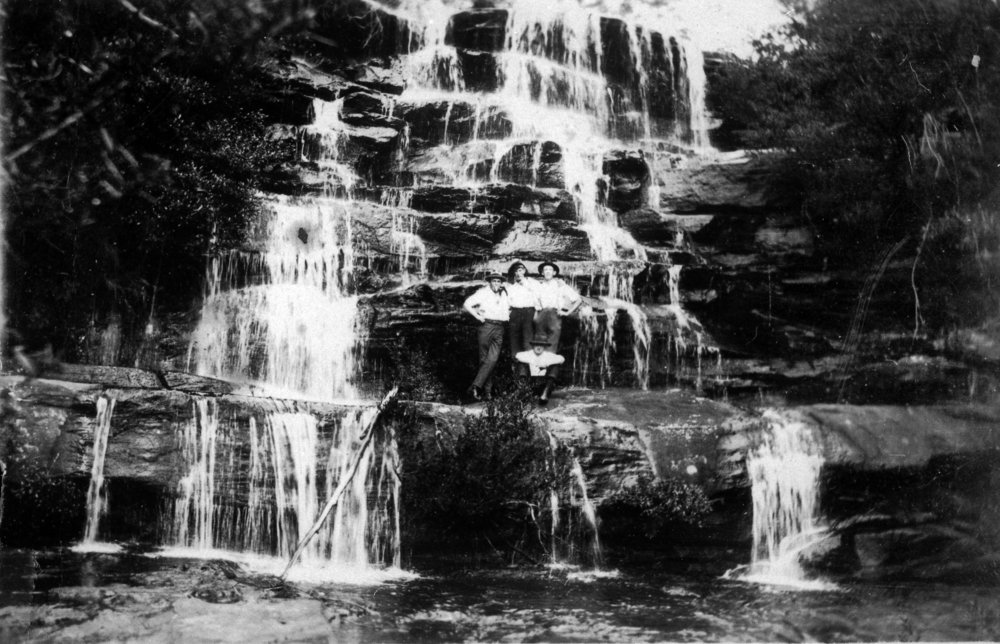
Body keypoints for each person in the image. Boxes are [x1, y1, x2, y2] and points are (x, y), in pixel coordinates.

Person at [462, 271, 510, 401]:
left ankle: (475, 387)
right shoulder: (483, 292)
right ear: (490, 282)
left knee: (492, 359)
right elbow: (467, 303)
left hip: (500, 327)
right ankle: (487, 393)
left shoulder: (504, 293)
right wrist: (478, 316)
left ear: (501, 283)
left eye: (498, 281)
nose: (496, 283)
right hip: (486, 326)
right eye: (494, 281)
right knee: (484, 360)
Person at [532, 261, 581, 383]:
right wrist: (536, 318)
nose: (547, 271)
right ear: (542, 273)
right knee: (539, 347)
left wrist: (567, 312)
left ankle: (548, 382)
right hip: (541, 315)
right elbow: (535, 304)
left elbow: (578, 300)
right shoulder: (538, 286)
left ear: (554, 273)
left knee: (552, 347)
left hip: (555, 315)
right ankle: (539, 381)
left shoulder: (560, 285)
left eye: (550, 269)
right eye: (545, 270)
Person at [505, 260, 540, 375]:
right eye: (516, 271)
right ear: (513, 273)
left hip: (529, 312)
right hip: (515, 313)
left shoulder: (532, 283)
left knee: (528, 342)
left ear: (524, 271)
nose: (518, 273)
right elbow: (508, 303)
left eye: (520, 270)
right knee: (515, 343)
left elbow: (538, 297)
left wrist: (537, 312)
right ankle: (521, 375)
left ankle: (534, 374)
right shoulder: (511, 287)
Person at [515, 332, 565, 404]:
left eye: (541, 345)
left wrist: (545, 363)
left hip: (543, 385)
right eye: (537, 345)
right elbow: (518, 356)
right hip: (530, 384)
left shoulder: (548, 355)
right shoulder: (528, 354)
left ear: (544, 347)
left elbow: (561, 359)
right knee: (522, 365)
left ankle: (545, 394)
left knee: (555, 367)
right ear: (533, 346)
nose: (539, 347)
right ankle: (523, 392)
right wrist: (534, 362)